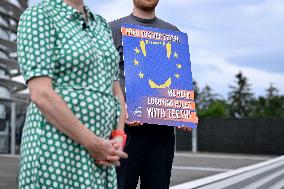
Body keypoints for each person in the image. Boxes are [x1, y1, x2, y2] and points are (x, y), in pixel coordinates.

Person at [17, 0, 128, 188]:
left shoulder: (100, 24)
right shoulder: (40, 15)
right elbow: (41, 93)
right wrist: (92, 143)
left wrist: (118, 135)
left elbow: (114, 87)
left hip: (100, 152)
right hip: (55, 148)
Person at [110, 0, 192, 188]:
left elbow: (178, 75)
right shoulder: (113, 29)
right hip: (125, 129)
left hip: (162, 133)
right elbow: (101, 76)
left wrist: (184, 110)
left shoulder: (173, 32)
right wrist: (121, 108)